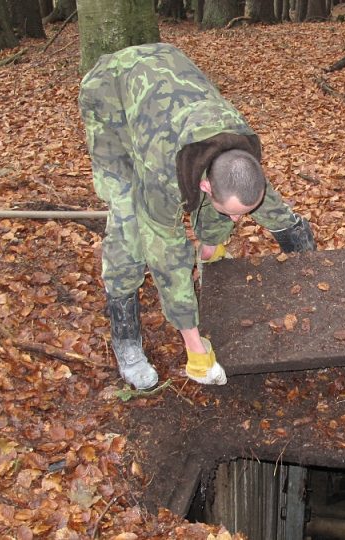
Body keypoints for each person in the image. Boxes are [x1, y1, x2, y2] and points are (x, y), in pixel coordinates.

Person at [79, 43, 315, 390]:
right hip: (110, 97)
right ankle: (126, 339)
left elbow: (244, 195)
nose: (238, 222)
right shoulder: (162, 174)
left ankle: (211, 252)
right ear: (203, 184)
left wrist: (216, 241)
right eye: (231, 216)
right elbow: (169, 258)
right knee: (130, 226)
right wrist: (196, 348)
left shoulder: (240, 143)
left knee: (243, 201)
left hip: (167, 72)